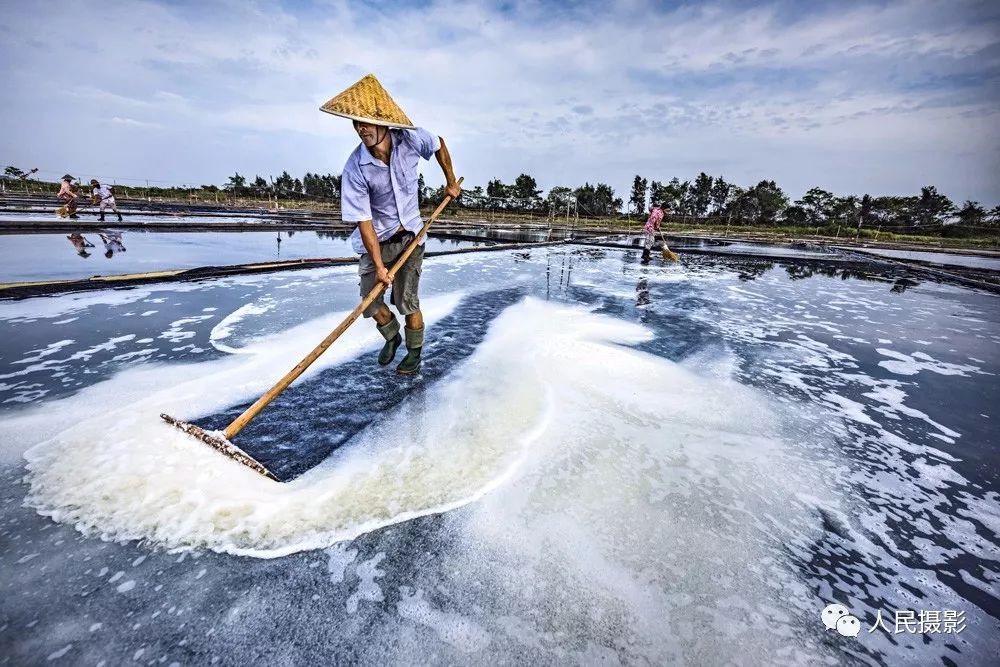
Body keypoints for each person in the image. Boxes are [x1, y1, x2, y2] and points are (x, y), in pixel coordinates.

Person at [321, 74, 460, 375]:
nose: (362, 129)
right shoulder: (355, 167)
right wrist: (379, 267)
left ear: (384, 121)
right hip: (377, 240)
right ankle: (392, 336)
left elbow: (439, 144)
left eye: (367, 122)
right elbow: (364, 221)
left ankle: (414, 352)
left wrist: (450, 181)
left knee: (407, 301)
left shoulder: (410, 139)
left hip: (411, 237)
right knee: (369, 305)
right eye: (357, 123)